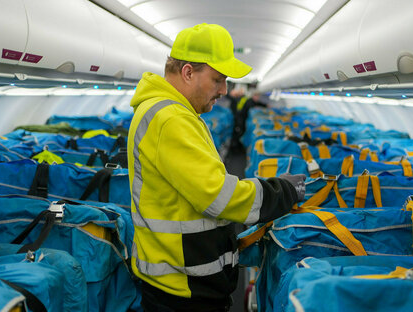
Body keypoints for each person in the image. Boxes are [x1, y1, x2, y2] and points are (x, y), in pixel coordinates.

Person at [127, 23, 306, 312]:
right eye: (218, 79)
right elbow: (218, 195)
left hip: (180, 275)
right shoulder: (170, 119)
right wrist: (283, 190)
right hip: (182, 287)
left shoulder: (171, 111)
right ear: (188, 72)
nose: (224, 90)